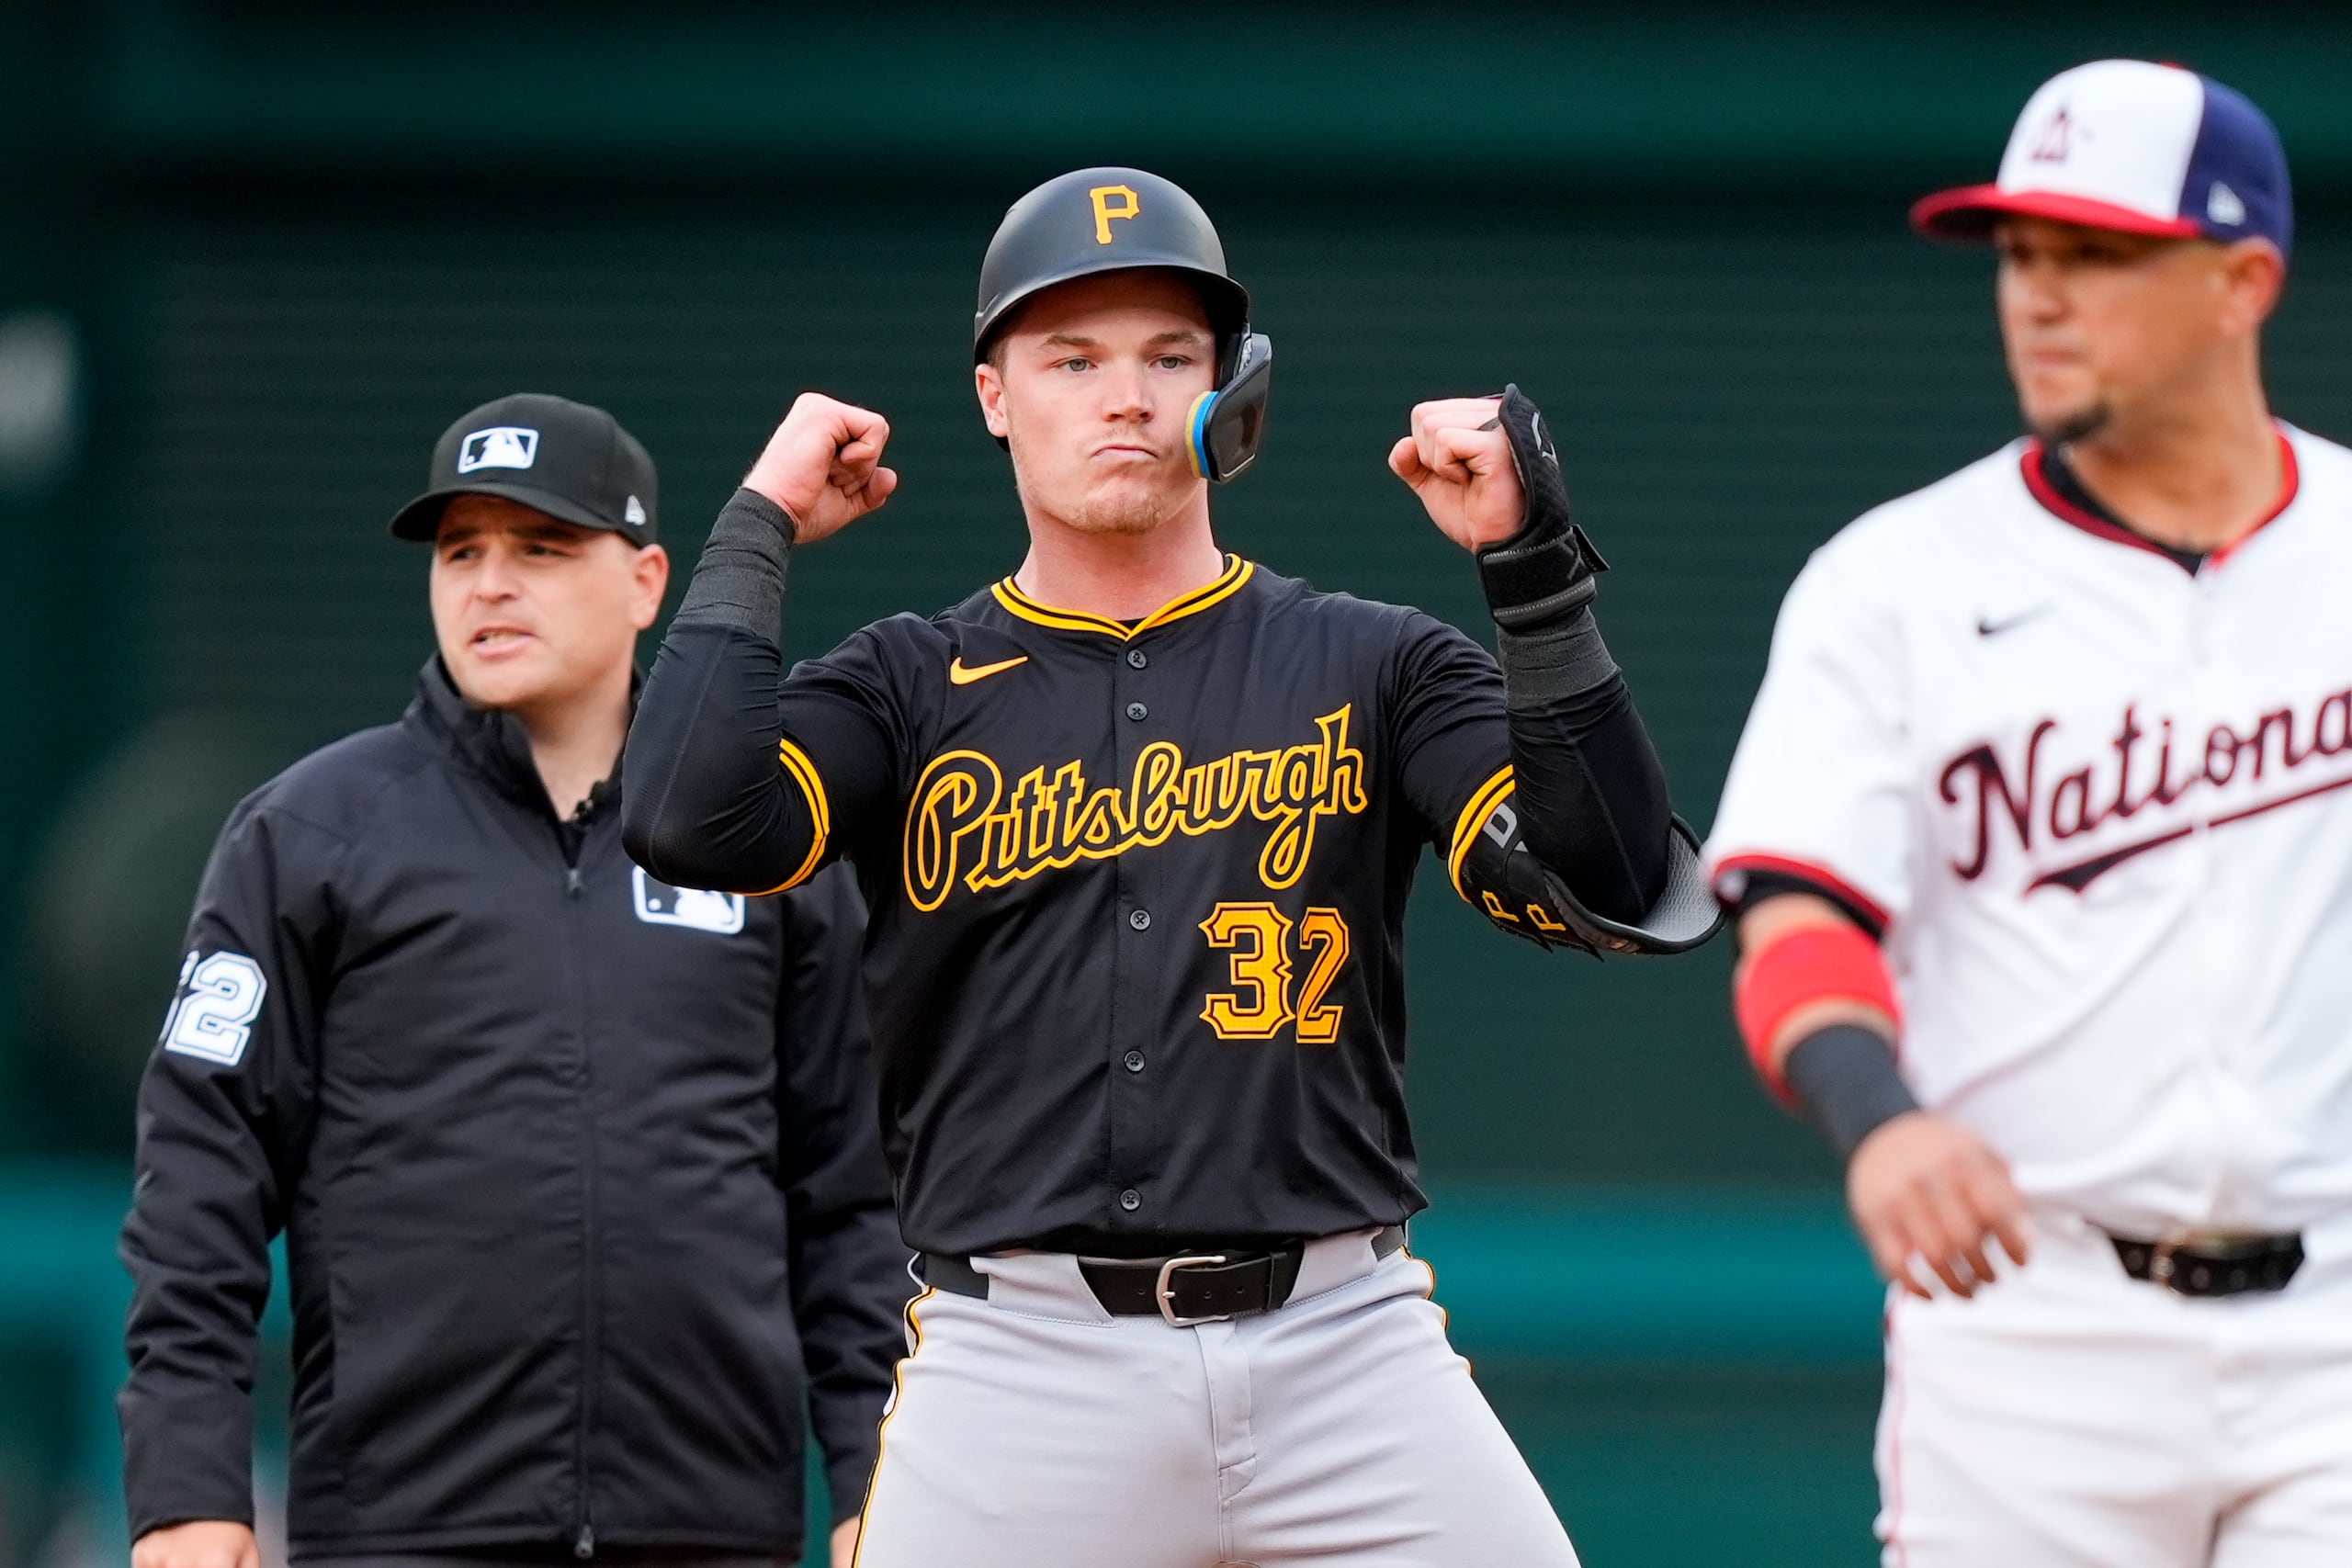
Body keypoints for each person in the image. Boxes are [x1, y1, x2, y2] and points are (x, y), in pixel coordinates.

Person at [622, 167, 1720, 1567]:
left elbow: (1618, 878)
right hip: (1018, 1358)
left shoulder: (1373, 660)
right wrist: (758, 523)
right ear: (993, 395)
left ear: (1231, 390)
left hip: (1345, 1342)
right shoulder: (906, 682)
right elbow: (681, 819)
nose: (1125, 396)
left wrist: (1534, 571)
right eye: (1071, 359)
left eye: (1168, 356)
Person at [1706, 60, 2352, 1566]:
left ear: (2242, 280)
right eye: (2022, 257)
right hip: (2030, 1329)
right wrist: (1878, 1124)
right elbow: (1796, 918)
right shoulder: (1898, 579)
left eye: (2098, 256)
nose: (2040, 298)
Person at [119, 393, 907, 1568]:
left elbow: (852, 1201)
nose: (490, 583)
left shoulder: (761, 847)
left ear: (646, 584)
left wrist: (872, 1486)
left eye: (540, 548)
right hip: (398, 1526)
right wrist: (189, 1490)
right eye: (461, 551)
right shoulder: (309, 834)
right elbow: (198, 1190)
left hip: (709, 1524)